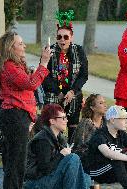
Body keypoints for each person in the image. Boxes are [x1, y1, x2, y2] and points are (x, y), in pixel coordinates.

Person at [0, 31, 52, 189]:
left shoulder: (15, 65)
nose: (24, 46)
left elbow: (26, 83)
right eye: (20, 44)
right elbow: (31, 84)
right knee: (16, 162)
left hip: (18, 115)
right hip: (14, 116)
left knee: (15, 160)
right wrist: (44, 62)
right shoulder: (9, 67)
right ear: (10, 48)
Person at [42, 10, 88, 142]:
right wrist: (59, 92)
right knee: (52, 124)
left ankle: (71, 150)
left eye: (66, 37)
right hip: (54, 94)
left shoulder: (79, 51)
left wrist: (72, 91)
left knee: (73, 124)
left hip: (73, 94)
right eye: (59, 37)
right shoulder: (49, 51)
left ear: (71, 37)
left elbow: (83, 75)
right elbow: (45, 76)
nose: (62, 40)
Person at [24, 104, 91, 189]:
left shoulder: (60, 138)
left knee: (86, 177)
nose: (66, 121)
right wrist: (61, 155)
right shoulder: (43, 140)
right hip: (36, 182)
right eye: (63, 118)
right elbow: (44, 169)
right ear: (52, 121)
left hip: (50, 178)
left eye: (66, 117)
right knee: (73, 158)